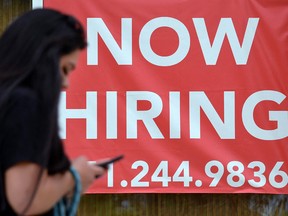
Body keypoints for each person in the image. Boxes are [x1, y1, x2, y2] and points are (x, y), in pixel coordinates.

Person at [0, 8, 105, 215]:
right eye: (65, 69)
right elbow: (24, 200)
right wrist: (74, 175)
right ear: (44, 57)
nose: (66, 84)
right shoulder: (24, 103)